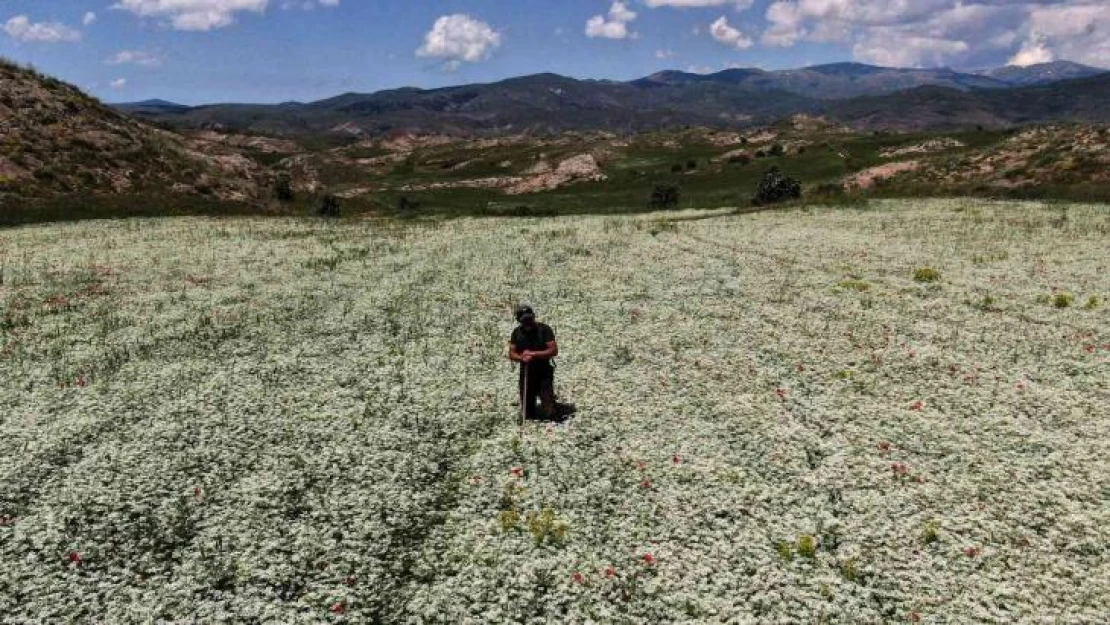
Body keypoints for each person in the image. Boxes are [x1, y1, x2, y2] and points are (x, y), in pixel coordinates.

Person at [509, 304, 558, 420]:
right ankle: (529, 424)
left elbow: (553, 350)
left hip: (543, 372)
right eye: (525, 320)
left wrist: (533, 354)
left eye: (530, 318)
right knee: (527, 408)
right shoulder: (516, 333)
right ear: (519, 320)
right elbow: (511, 353)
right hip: (526, 372)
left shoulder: (544, 329)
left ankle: (552, 423)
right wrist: (521, 358)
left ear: (534, 317)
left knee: (548, 406)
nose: (528, 322)